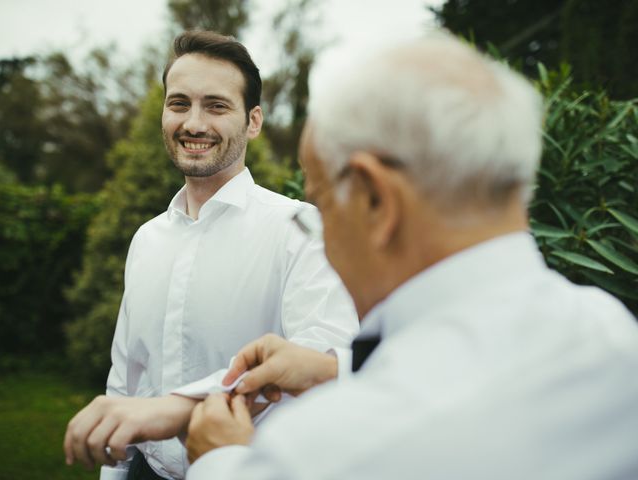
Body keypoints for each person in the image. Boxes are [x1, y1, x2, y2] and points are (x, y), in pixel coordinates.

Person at [182, 32, 638, 479]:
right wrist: (333, 370)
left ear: (376, 201)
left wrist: (219, 462)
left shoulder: (326, 449)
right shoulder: (615, 335)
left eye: (320, 208)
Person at [63, 30, 358, 480]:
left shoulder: (299, 229)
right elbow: (128, 375)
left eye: (216, 106)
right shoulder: (147, 238)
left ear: (253, 121)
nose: (194, 123)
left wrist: (176, 409)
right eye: (179, 103)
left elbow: (321, 356)